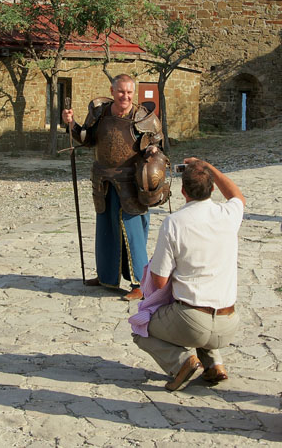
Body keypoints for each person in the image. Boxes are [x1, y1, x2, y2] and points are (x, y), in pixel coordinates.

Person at [131, 158, 245, 391]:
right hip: (229, 324)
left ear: (182, 191)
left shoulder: (174, 223)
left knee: (139, 327)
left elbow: (160, 281)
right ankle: (214, 364)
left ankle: (182, 362)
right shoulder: (229, 214)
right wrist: (209, 166)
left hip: (192, 323)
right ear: (213, 188)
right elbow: (236, 195)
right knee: (204, 299)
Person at [61, 74, 164, 301]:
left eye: (129, 92)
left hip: (132, 183)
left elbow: (158, 142)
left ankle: (140, 283)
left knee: (133, 231)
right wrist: (71, 124)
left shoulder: (143, 117)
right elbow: (87, 140)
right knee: (105, 228)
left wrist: (154, 151)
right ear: (113, 89)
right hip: (103, 180)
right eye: (120, 91)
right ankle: (106, 276)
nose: (124, 96)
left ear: (133, 93)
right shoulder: (100, 113)